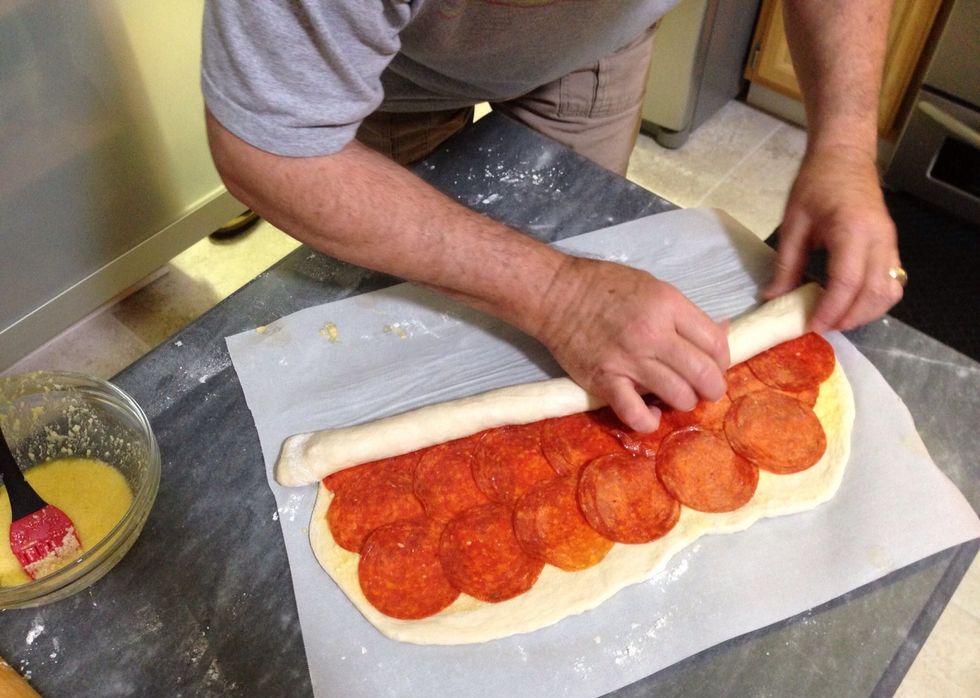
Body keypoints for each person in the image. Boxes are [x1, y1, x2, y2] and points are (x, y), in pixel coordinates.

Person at [201, 0, 903, 433]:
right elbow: (271, 146)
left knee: (572, 331)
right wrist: (558, 293)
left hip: (598, 43)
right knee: (411, 325)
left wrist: (844, 140)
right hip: (390, 80)